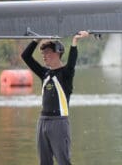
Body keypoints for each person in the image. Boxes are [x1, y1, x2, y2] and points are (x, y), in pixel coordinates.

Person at [21, 31, 89, 165]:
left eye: (47, 53)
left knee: (64, 161)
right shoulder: (44, 73)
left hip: (59, 123)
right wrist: (36, 39)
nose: (44, 57)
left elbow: (72, 60)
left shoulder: (66, 74)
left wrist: (75, 40)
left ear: (58, 53)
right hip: (42, 122)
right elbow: (25, 56)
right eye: (43, 54)